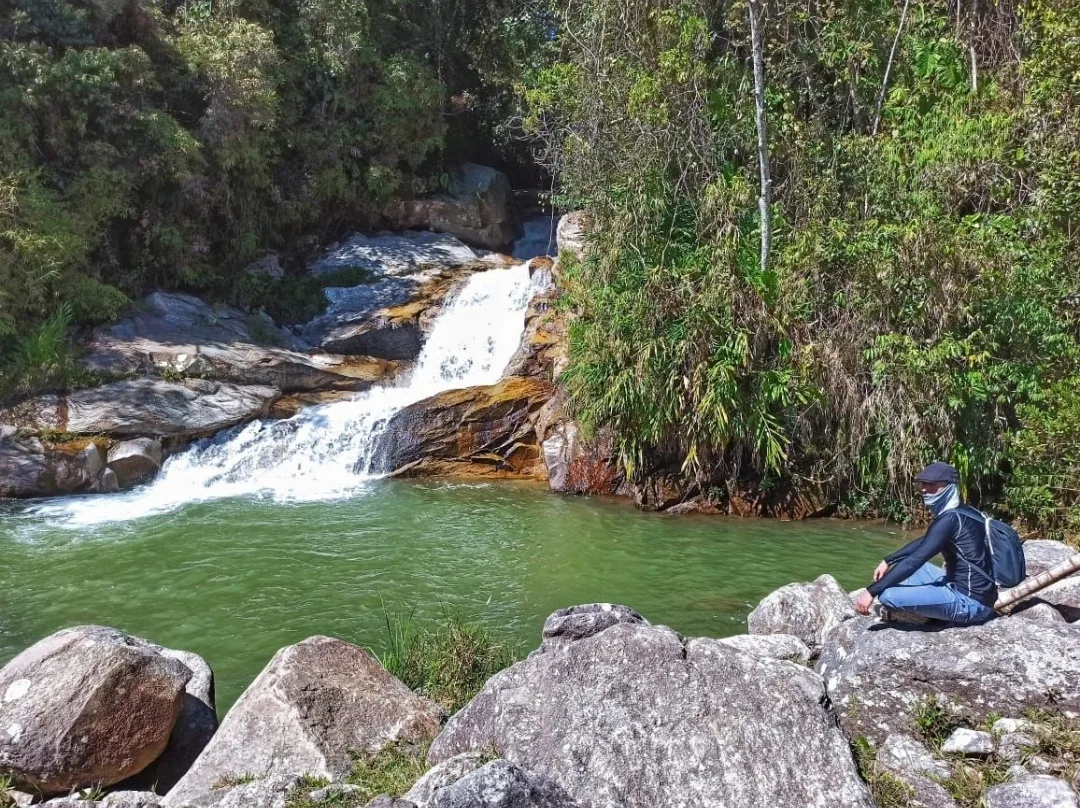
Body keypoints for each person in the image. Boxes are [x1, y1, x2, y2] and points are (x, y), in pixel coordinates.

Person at [854, 461, 997, 624]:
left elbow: (914, 561)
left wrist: (871, 592)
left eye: (931, 484)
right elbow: (926, 541)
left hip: (970, 603)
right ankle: (932, 606)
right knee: (899, 572)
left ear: (950, 486)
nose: (924, 489)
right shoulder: (964, 511)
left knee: (888, 596)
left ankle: (922, 616)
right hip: (967, 588)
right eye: (922, 483)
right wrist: (889, 560)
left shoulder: (950, 519)